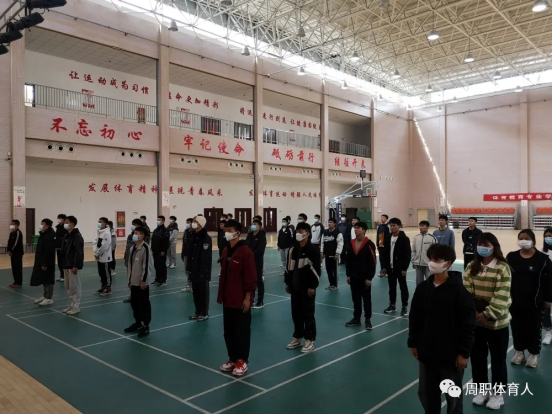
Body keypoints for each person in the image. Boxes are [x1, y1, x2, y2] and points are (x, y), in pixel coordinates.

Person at [409, 244, 475, 415]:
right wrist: (413, 342)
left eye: (436, 260)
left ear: (448, 263)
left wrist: (464, 353)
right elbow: (415, 317)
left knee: (453, 397)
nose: (432, 263)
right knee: (427, 393)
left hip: (450, 356)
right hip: (427, 353)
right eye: (430, 259)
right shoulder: (423, 289)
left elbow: (467, 325)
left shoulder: (460, 292)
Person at [463, 233, 511, 411]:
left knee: (498, 359)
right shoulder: (471, 266)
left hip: (497, 324)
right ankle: (482, 390)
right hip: (476, 323)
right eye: (480, 244)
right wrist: (474, 312)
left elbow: (501, 295)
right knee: (477, 358)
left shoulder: (502, 268)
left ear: (494, 246)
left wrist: (487, 314)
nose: (482, 247)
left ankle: (498, 394)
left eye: (486, 244)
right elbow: (466, 290)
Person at [507, 229, 552, 369]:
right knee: (516, 327)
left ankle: (533, 354)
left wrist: (549, 299)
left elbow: (549, 281)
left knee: (534, 329)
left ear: (533, 240)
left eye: (526, 238)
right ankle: (519, 352)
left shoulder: (543, 259)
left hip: (535, 302)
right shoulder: (511, 257)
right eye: (521, 238)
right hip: (515, 301)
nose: (523, 241)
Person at [218, 220, 257, 377]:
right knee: (229, 331)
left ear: (237, 233)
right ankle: (233, 358)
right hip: (228, 298)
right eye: (225, 230)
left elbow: (251, 277)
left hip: (240, 299)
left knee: (242, 331)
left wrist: (248, 298)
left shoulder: (246, 252)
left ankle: (242, 360)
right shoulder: (225, 251)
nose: (226, 233)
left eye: (230, 230)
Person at [285, 222, 321, 353]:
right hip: (295, 287)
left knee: (308, 314)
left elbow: (316, 270)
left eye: (301, 232)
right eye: (297, 231)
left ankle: (310, 340)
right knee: (296, 314)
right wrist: (288, 283)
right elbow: (288, 268)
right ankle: (297, 337)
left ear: (307, 234)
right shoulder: (293, 249)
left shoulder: (312, 250)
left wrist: (312, 286)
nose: (298, 234)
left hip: (307, 288)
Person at [345, 222, 376, 330]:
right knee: (356, 299)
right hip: (354, 276)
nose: (356, 229)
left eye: (358, 228)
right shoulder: (351, 243)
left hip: (365, 277)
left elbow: (373, 262)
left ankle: (368, 319)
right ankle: (356, 318)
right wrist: (348, 275)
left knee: (366, 299)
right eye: (355, 228)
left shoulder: (369, 244)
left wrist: (369, 277)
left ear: (364, 230)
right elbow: (348, 260)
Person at [124, 226, 153, 338]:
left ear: (142, 236)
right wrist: (129, 281)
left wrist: (144, 281)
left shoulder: (145, 248)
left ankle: (145, 325)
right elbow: (130, 266)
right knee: (134, 304)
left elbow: (147, 266)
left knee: (143, 304)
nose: (134, 235)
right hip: (134, 282)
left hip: (142, 283)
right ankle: (138, 323)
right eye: (134, 233)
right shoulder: (132, 248)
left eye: (137, 233)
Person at [381, 218, 412, 316]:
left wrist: (404, 268)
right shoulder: (387, 238)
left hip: (400, 268)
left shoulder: (404, 239)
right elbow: (384, 254)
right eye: (391, 226)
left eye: (394, 225)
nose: (392, 227)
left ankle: (404, 306)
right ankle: (392, 305)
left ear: (399, 226)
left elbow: (407, 255)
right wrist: (385, 267)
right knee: (392, 288)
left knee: (403, 287)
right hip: (390, 268)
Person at [187, 216, 212, 322]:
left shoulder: (206, 238)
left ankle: (204, 312)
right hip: (193, 269)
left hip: (202, 270)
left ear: (201, 224)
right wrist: (189, 267)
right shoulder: (192, 236)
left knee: (203, 293)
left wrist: (203, 271)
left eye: (196, 222)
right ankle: (197, 311)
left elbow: (205, 257)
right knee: (196, 292)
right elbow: (190, 253)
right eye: (193, 222)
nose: (194, 223)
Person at [60, 216, 84, 315]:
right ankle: (72, 304)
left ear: (72, 224)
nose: (65, 224)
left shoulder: (77, 236)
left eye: (67, 222)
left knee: (74, 286)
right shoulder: (67, 235)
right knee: (68, 286)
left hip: (73, 265)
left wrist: (76, 265)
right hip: (66, 264)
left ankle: (76, 306)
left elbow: (79, 252)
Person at [30, 219, 57, 306]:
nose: (41, 225)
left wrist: (45, 263)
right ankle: (45, 295)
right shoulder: (44, 234)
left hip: (47, 262)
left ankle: (49, 298)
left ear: (47, 226)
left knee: (48, 279)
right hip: (41, 260)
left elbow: (48, 251)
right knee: (44, 278)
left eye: (43, 224)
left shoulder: (50, 235)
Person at [123, 218, 147, 304]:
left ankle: (139, 297)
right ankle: (132, 296)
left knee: (139, 280)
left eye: (134, 225)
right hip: (130, 260)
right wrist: (126, 258)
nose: (133, 226)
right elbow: (127, 248)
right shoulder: (130, 236)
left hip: (137, 261)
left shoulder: (143, 238)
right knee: (131, 280)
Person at [245, 219, 267, 309]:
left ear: (259, 227)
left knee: (259, 281)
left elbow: (260, 250)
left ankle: (260, 301)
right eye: (252, 224)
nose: (253, 226)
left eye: (255, 224)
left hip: (257, 262)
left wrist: (250, 255)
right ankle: (251, 299)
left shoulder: (262, 237)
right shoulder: (250, 235)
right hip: (248, 262)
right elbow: (246, 246)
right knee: (250, 281)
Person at [321, 218, 344, 291]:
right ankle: (331, 284)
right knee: (328, 270)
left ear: (334, 224)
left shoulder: (338, 233)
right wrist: (322, 252)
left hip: (334, 256)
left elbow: (340, 244)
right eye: (328, 222)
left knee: (335, 271)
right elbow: (322, 243)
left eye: (331, 222)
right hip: (327, 255)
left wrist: (337, 253)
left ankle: (335, 285)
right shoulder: (325, 232)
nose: (329, 223)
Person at [411, 221, 437, 285]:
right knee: (419, 283)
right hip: (418, 264)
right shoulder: (416, 237)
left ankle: (430, 291)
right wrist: (413, 261)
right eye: (420, 226)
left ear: (427, 227)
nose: (421, 227)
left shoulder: (432, 238)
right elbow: (413, 250)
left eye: (423, 226)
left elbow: (436, 251)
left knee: (430, 282)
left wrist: (433, 262)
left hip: (428, 264)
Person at [93, 217, 112, 297]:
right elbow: (95, 242)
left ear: (105, 223)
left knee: (106, 273)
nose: (99, 223)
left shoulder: (107, 233)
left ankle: (108, 289)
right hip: (99, 256)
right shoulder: (99, 232)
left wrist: (98, 253)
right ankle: (103, 287)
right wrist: (95, 251)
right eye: (98, 221)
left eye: (101, 222)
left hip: (105, 257)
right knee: (101, 273)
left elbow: (105, 245)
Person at [151, 216, 170, 287]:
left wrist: (163, 250)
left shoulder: (165, 230)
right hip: (155, 251)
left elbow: (166, 242)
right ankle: (157, 279)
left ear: (163, 221)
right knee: (156, 265)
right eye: (157, 220)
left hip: (161, 252)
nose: (158, 221)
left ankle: (163, 281)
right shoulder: (156, 230)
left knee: (161, 266)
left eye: (159, 220)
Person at [543, 228, 553, 345]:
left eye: (550, 236)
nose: (548, 238)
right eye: (546, 236)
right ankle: (548, 332)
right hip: (546, 285)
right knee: (546, 311)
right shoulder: (542, 252)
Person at [7, 219, 24, 288]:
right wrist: (8, 250)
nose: (11, 225)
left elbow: (16, 243)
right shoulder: (11, 233)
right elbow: (9, 242)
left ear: (16, 225)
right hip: (12, 254)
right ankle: (15, 281)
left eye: (12, 224)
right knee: (14, 267)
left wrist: (11, 250)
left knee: (18, 267)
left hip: (18, 253)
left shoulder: (18, 233)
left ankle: (19, 282)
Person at [181, 218, 195, 293]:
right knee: (186, 271)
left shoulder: (194, 232)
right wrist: (182, 253)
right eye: (186, 222)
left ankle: (193, 286)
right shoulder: (186, 232)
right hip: (186, 253)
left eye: (188, 222)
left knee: (191, 271)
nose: (187, 224)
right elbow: (184, 243)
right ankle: (189, 286)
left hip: (192, 255)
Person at [55, 214, 68, 282]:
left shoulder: (65, 227)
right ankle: (61, 275)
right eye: (58, 218)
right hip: (58, 247)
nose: (59, 220)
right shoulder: (58, 227)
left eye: (60, 219)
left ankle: (64, 276)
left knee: (63, 262)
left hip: (63, 247)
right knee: (59, 262)